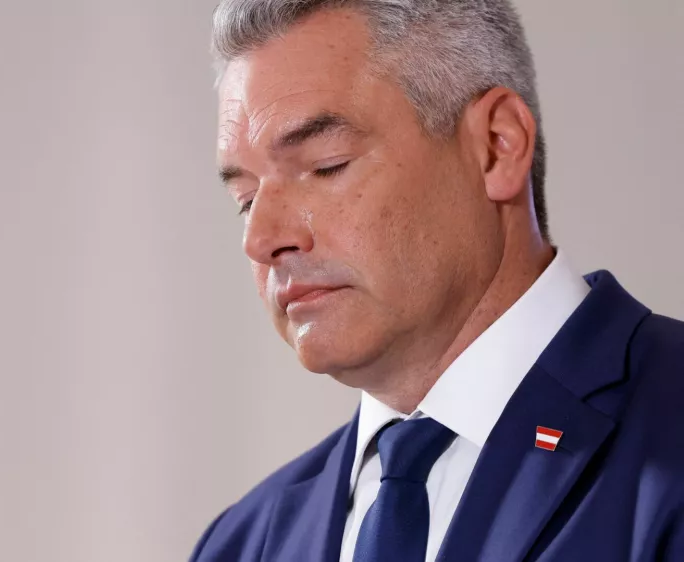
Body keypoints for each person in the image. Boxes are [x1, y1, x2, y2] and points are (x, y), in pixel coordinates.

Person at [190, 1, 684, 561]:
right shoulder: (238, 545)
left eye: (326, 165)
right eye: (246, 200)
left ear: (497, 145)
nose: (261, 239)